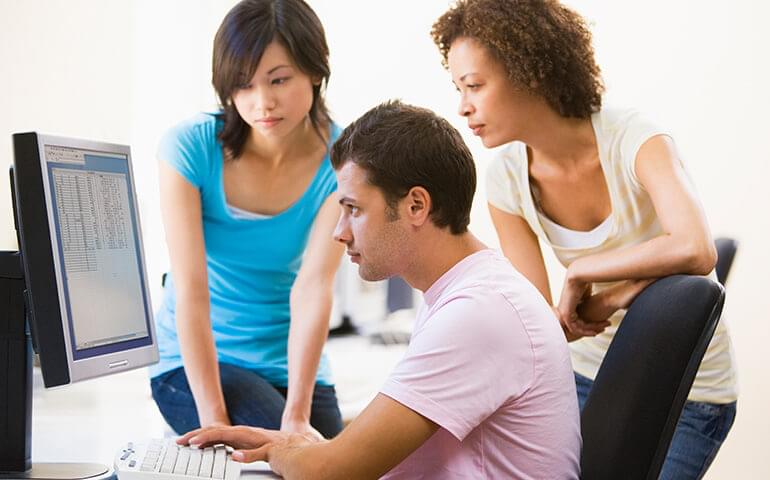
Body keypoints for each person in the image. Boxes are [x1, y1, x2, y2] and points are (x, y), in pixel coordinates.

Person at [178, 100, 582, 479]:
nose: (340, 232)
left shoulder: (478, 312)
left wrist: (287, 454)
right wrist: (291, 447)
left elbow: (332, 473)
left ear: (416, 206)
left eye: (353, 209)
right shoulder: (465, 292)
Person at [431, 1, 738, 478]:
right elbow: (541, 325)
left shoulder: (634, 138)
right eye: (459, 89)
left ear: (529, 70)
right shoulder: (506, 179)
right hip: (583, 376)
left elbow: (696, 248)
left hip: (690, 392)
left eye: (474, 86)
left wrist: (584, 273)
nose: (463, 106)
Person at [150, 0, 344, 439]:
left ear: (315, 70)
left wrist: (297, 414)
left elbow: (314, 287)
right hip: (197, 364)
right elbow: (191, 291)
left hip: (290, 364)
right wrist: (214, 421)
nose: (262, 103)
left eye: (279, 80)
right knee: (285, 460)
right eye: (243, 85)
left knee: (337, 462)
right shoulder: (189, 148)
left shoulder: (342, 158)